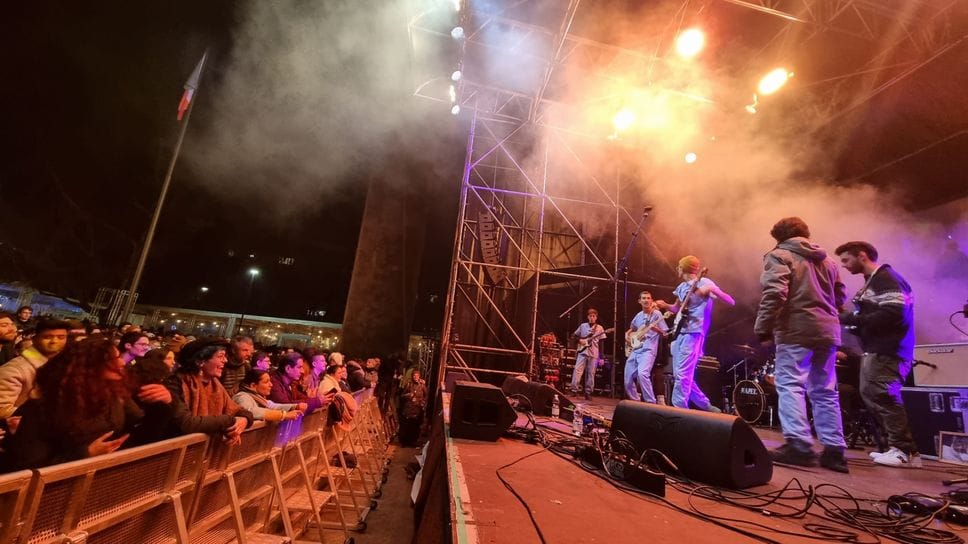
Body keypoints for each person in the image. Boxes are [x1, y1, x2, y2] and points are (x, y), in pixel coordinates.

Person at [754, 217, 849, 472]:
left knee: (790, 384)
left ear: (779, 237)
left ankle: (799, 445)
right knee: (825, 389)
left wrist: (763, 327)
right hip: (828, 331)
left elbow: (775, 293)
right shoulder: (827, 261)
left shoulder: (780, 255)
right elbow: (840, 296)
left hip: (796, 329)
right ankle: (834, 451)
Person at [0, 337, 173, 470]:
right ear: (89, 367)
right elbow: (25, 465)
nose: (121, 362)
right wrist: (85, 454)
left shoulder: (113, 398)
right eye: (114, 359)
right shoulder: (44, 408)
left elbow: (139, 435)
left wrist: (163, 405)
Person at [835, 241, 920, 468]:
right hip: (879, 348)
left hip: (889, 349)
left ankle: (904, 451)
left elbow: (894, 312)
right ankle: (896, 447)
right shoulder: (875, 281)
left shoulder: (886, 278)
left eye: (846, 260)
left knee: (882, 394)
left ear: (862, 256)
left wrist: (852, 319)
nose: (843, 266)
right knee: (871, 392)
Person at [655, 256, 735, 412]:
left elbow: (730, 300)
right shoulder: (681, 287)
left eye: (678, 266)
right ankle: (705, 405)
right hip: (680, 333)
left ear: (684, 268)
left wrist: (711, 290)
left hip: (694, 333)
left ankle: (679, 410)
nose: (677, 269)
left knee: (683, 375)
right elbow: (678, 308)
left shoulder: (706, 283)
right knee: (679, 374)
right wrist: (665, 305)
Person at [166, 338, 252, 445]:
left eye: (225, 356)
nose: (225, 360)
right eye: (220, 356)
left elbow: (237, 410)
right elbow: (186, 423)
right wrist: (230, 421)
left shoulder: (215, 384)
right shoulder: (176, 383)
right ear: (200, 361)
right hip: (174, 450)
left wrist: (244, 419)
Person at [0, 318, 70, 418]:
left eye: (61, 337)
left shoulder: (64, 365)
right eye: (47, 337)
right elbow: (2, 409)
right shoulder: (15, 369)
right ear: (35, 339)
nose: (54, 341)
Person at [624, 292, 669, 403]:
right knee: (627, 378)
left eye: (648, 298)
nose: (646, 300)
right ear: (639, 301)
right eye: (644, 298)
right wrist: (627, 335)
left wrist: (656, 329)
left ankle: (651, 402)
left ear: (651, 300)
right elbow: (632, 328)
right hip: (636, 349)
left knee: (642, 373)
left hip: (648, 350)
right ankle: (635, 401)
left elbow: (665, 333)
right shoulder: (638, 315)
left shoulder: (657, 314)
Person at [234, 369, 306, 421]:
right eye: (266, 382)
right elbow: (251, 412)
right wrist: (284, 415)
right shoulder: (242, 396)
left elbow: (273, 406)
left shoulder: (260, 398)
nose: (271, 385)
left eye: (270, 381)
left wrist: (295, 406)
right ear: (253, 385)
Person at [571, 308, 606, 400]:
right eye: (590, 316)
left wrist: (601, 357)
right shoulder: (583, 326)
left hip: (594, 353)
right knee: (578, 370)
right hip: (582, 352)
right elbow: (574, 336)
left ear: (596, 318)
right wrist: (580, 340)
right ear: (588, 317)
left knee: (591, 373)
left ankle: (588, 392)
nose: (592, 318)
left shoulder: (600, 328)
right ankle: (574, 390)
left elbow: (601, 343)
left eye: (593, 316)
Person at [399, 369, 428, 446]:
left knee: (415, 427)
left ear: (419, 377)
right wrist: (408, 395)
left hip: (417, 410)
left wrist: (422, 403)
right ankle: (405, 442)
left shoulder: (422, 385)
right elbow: (402, 395)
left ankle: (413, 441)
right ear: (412, 376)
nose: (416, 377)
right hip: (409, 409)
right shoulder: (409, 384)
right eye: (414, 376)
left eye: (417, 376)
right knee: (407, 426)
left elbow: (426, 395)